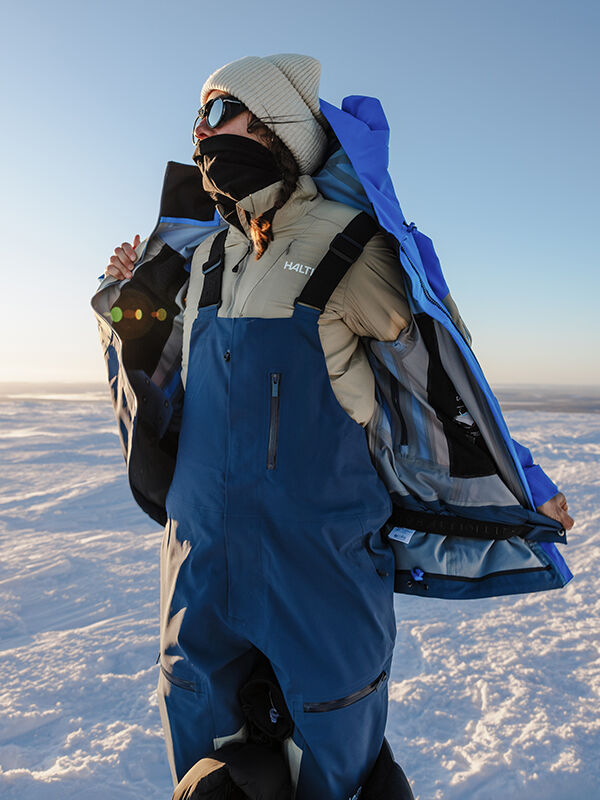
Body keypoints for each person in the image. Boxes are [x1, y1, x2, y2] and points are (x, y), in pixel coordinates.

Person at [103, 54, 574, 800]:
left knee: (335, 768)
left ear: (277, 127)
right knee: (197, 755)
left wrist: (525, 479)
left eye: (221, 113)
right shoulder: (210, 259)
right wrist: (120, 298)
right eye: (199, 119)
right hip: (197, 569)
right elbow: (167, 382)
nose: (201, 133)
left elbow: (443, 372)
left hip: (317, 574)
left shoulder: (347, 243)